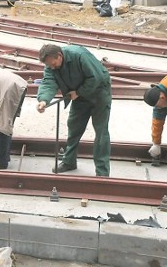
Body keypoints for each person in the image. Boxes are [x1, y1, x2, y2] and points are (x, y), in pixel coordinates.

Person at [36, 44, 111, 177]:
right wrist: (43, 100)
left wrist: (79, 92)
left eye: (54, 64)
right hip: (78, 95)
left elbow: (96, 77)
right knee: (74, 127)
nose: (52, 67)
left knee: (101, 132)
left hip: (99, 93)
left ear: (59, 56)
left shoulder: (80, 55)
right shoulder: (50, 65)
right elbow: (48, 82)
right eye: (49, 66)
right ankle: (69, 162)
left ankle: (102, 171)